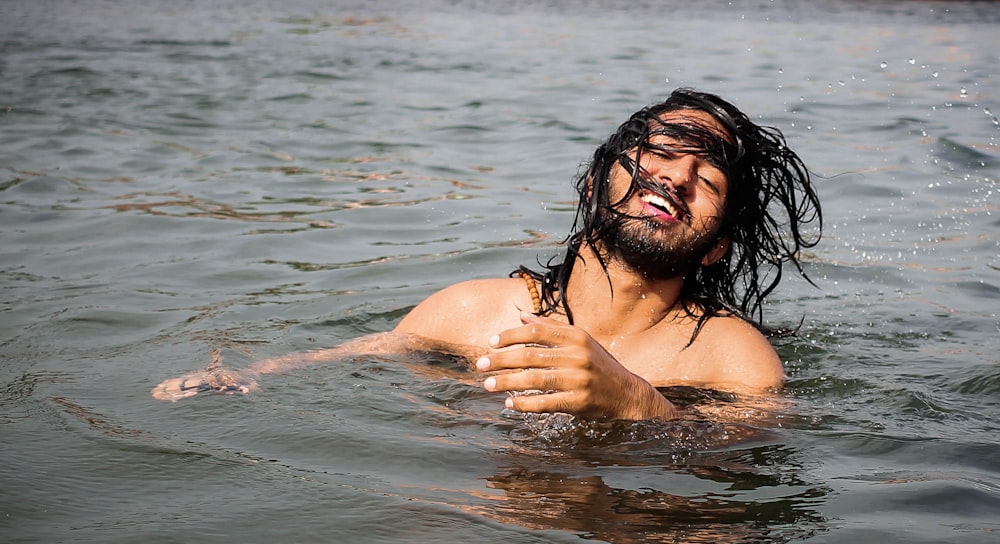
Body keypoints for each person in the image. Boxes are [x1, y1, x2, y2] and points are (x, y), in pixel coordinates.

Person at [153, 88, 822, 421]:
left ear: (719, 248)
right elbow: (363, 355)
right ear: (595, 184)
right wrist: (251, 373)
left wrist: (635, 401)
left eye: (707, 179)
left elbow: (740, 476)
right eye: (662, 152)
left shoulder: (731, 358)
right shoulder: (473, 310)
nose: (676, 177)